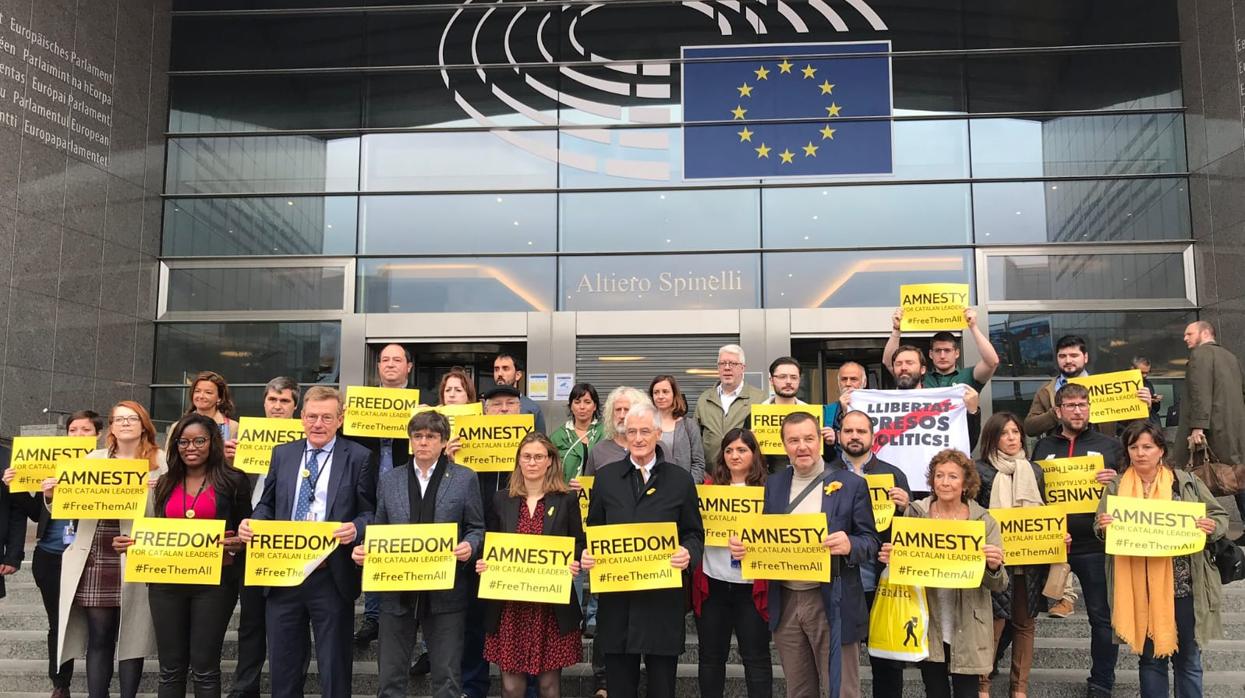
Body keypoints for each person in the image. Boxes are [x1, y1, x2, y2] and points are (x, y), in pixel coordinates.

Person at [239, 386, 376, 698]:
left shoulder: (359, 457)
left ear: (340, 420)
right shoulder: (283, 454)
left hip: (330, 574)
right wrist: (253, 521)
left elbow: (370, 512)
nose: (318, 424)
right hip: (281, 574)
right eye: (312, 416)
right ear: (301, 417)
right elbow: (267, 505)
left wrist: (355, 529)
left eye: (327, 417)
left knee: (334, 665)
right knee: (284, 667)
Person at [730, 411, 877, 698]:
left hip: (832, 599)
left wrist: (850, 544)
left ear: (820, 441)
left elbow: (870, 541)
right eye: (794, 440)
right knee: (798, 690)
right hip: (785, 599)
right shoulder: (774, 484)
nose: (802, 446)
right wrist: (746, 549)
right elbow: (767, 535)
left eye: (809, 439)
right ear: (784, 444)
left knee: (841, 690)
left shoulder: (851, 484)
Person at [112, 414, 250, 698]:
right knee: (170, 669)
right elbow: (161, 532)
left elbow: (246, 531)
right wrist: (134, 544)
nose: (191, 447)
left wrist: (237, 543)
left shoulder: (234, 481)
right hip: (165, 584)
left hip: (215, 586)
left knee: (205, 668)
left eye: (199, 440)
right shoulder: (163, 483)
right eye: (183, 442)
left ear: (213, 442)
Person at [352, 410, 483, 698]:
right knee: (389, 677)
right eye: (418, 436)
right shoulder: (390, 479)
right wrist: (366, 550)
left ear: (444, 441)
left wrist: (470, 546)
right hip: (396, 590)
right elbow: (379, 527)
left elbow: (476, 527)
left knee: (447, 677)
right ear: (410, 440)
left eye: (431, 437)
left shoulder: (464, 478)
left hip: (446, 592)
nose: (423, 442)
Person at [1095, 421, 1228, 698]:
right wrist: (1103, 526)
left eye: (1147, 446)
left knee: (1189, 661)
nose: (1140, 453)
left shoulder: (1185, 481)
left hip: (1184, 587)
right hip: (1139, 589)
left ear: (1160, 450)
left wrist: (1211, 526)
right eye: (1134, 447)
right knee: (1150, 661)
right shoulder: (1117, 487)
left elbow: (1219, 517)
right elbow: (1100, 526)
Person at [581, 403, 705, 698]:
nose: (638, 438)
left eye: (645, 431)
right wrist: (587, 553)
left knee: (662, 688)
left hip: (661, 602)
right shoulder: (607, 477)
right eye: (632, 431)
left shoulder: (680, 479)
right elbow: (594, 529)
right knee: (620, 688)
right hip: (617, 604)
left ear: (658, 433)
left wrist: (688, 553)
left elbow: (694, 533)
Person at [52, 401, 165, 698]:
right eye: (119, 419)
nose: (125, 423)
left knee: (133, 637)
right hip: (96, 552)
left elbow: (173, 510)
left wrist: (156, 493)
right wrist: (53, 494)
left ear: (143, 425)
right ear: (111, 427)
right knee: (99, 637)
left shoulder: (161, 461)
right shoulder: (93, 458)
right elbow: (70, 505)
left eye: (132, 418)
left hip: (139, 553)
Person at [878, 450, 1007, 698]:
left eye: (953, 476)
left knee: (967, 693)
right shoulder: (915, 514)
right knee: (934, 691)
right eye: (939, 476)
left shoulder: (984, 520)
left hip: (969, 621)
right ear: (932, 480)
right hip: (928, 620)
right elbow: (904, 567)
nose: (945, 482)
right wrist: (892, 559)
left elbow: (1000, 584)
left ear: (966, 483)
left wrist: (993, 566)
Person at [1031, 383, 1125, 698]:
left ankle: (1101, 681)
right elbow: (1033, 495)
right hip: (1050, 543)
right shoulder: (1042, 448)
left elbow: (1134, 491)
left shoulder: (1111, 446)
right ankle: (990, 669)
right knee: (1021, 610)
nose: (1077, 410)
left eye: (1082, 404)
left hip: (1095, 547)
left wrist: (1117, 482)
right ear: (1058, 411)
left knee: (1102, 617)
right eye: (1070, 405)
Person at [2, 409, 103, 698]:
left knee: (99, 624)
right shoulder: (52, 467)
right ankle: (61, 683)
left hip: (90, 557)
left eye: (85, 430)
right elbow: (34, 513)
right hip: (50, 555)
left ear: (98, 435)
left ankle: (100, 682)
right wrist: (17, 487)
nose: (79, 435)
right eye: (73, 430)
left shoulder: (108, 467)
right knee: (58, 623)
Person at [479, 432, 584, 698]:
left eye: (539, 456)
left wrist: (575, 562)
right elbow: (489, 543)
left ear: (550, 461)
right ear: (518, 461)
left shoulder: (566, 499)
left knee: (549, 686)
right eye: (527, 456)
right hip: (510, 607)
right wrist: (484, 563)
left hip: (551, 607)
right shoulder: (502, 499)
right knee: (511, 687)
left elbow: (579, 544)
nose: (533, 462)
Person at [223, 377, 303, 698]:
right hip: (250, 538)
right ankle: (246, 687)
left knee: (292, 623)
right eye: (272, 400)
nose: (278, 406)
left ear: (295, 406)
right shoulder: (245, 438)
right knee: (251, 620)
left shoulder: (305, 439)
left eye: (284, 401)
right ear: (264, 403)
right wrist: (228, 460)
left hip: (288, 542)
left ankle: (290, 688)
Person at [827, 410, 911, 698]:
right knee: (841, 663)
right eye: (848, 431)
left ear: (872, 437)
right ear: (839, 436)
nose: (854, 436)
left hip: (881, 582)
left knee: (887, 664)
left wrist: (905, 508)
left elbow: (908, 532)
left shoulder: (893, 474)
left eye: (861, 431)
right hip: (839, 582)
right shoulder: (825, 473)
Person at [974, 413, 1053, 698]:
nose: (1011, 438)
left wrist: (1055, 536)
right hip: (993, 563)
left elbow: (1043, 512)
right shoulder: (978, 470)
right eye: (1004, 433)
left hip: (1028, 562)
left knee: (1025, 624)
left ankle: (1019, 689)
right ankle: (982, 685)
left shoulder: (1035, 471)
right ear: (992, 438)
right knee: (992, 624)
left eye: (1016, 432)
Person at [692, 429, 771, 698]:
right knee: (711, 657)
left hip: (751, 587)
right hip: (714, 584)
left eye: (741, 450)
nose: (734, 456)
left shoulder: (769, 491)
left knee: (756, 657)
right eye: (729, 450)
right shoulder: (707, 490)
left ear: (754, 454)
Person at [350, 343, 415, 647]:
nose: (390, 364)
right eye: (384, 360)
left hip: (407, 486)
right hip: (368, 485)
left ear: (408, 367)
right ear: (378, 368)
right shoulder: (360, 404)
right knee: (372, 544)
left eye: (397, 360)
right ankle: (373, 617)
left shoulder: (422, 405)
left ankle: (411, 614)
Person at [1171, 321, 1245, 524]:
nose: (1185, 338)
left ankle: (1199, 528)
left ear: (1204, 333)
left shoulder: (1200, 355)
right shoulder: (1231, 357)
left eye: (1189, 334)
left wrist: (1197, 427)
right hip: (1235, 432)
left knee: (1190, 478)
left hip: (1211, 432)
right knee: (1237, 479)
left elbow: (1200, 394)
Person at [748, 357, 837, 471]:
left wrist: (829, 444)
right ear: (771, 380)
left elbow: (828, 458)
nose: (788, 381)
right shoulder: (755, 416)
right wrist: (750, 444)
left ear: (799, 380)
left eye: (794, 377)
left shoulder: (813, 415)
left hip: (807, 478)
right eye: (782, 377)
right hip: (767, 478)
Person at [883, 308, 1001, 391]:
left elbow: (992, 362)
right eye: (938, 351)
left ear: (957, 353)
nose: (942, 355)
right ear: (930, 354)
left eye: (947, 350)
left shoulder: (969, 375)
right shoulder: (920, 375)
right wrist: (896, 329)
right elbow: (889, 362)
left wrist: (973, 327)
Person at [695, 344, 767, 469]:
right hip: (711, 474)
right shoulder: (704, 398)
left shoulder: (760, 399)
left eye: (733, 364)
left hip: (746, 474)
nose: (727, 368)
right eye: (722, 363)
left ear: (742, 368)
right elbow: (695, 438)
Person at [581, 386, 652, 475]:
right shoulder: (599, 450)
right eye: (618, 410)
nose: (622, 416)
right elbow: (590, 486)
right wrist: (581, 486)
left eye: (627, 410)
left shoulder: (655, 447)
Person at [648, 374, 706, 483]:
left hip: (682, 489)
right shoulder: (646, 425)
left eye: (665, 392)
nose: (660, 396)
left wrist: (688, 487)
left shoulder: (689, 426)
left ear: (674, 394)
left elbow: (698, 463)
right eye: (656, 392)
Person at [551, 382, 602, 484]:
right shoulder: (558, 436)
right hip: (566, 494)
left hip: (600, 495)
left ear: (595, 406)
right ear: (571, 406)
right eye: (577, 402)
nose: (582, 407)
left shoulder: (606, 433)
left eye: (587, 402)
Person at [494, 352, 547, 434]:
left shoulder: (532, 408)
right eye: (496, 369)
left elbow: (541, 442)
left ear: (518, 375)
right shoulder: (486, 407)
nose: (499, 374)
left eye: (505, 369)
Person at [185, 370, 241, 442]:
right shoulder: (178, 426)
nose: (201, 396)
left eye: (208, 392)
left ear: (219, 398)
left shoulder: (232, 427)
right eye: (197, 391)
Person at [1131, 357, 1162, 425]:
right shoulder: (1124, 384)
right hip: (1132, 424)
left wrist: (1155, 401)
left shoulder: (1148, 384)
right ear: (1132, 369)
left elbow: (1156, 409)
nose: (1145, 375)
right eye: (1142, 372)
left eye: (1147, 373)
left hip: (1149, 422)